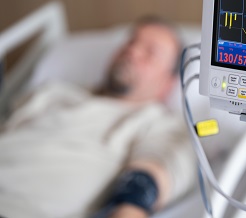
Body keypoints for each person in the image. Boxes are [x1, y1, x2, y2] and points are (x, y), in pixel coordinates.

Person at [0, 17, 196, 218]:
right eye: (131, 41)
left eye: (150, 53)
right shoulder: (52, 92)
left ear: (168, 83)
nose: (132, 50)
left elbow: (145, 185)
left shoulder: (158, 123)